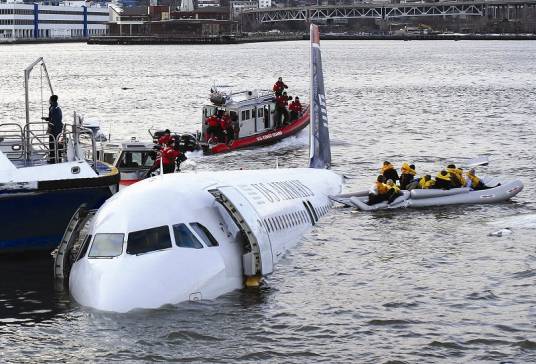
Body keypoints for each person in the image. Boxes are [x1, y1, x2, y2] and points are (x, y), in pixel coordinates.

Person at [41, 95, 63, 163]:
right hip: (54, 128)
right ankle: (53, 157)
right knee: (52, 143)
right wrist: (46, 119)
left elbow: (55, 119)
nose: (49, 100)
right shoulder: (53, 107)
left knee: (54, 143)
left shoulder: (56, 108)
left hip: (56, 128)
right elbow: (51, 118)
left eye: (49, 99)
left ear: (52, 100)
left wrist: (51, 126)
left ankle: (55, 159)